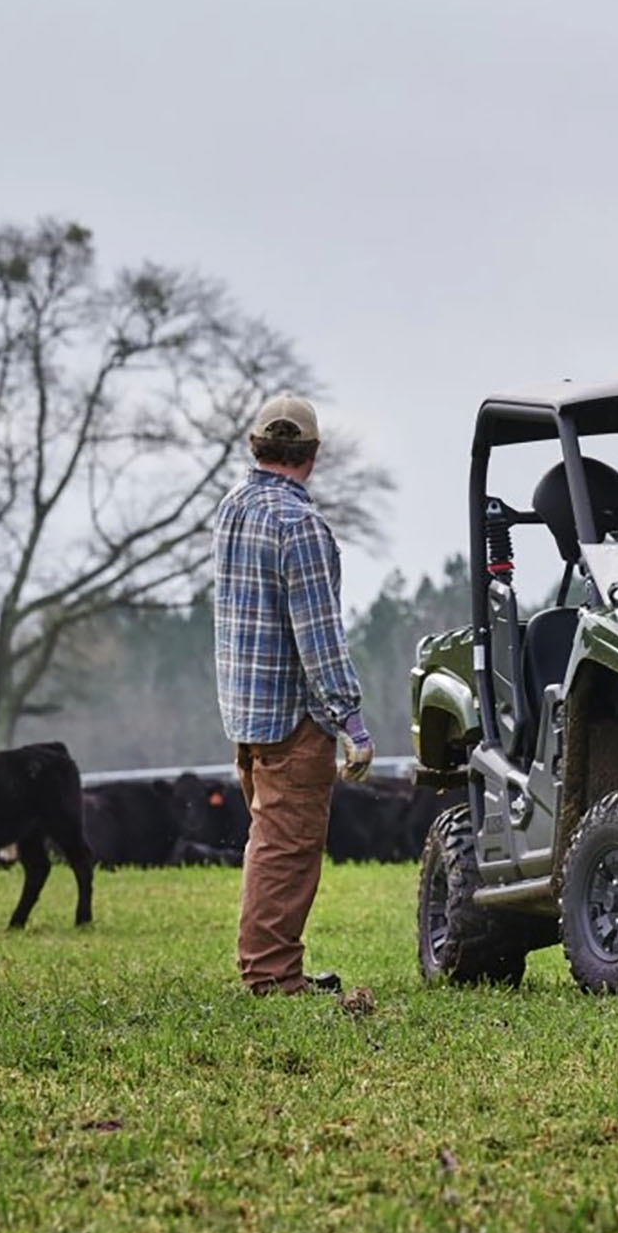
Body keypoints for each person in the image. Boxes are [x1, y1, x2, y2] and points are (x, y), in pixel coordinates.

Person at [211, 392, 373, 996]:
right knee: (287, 852)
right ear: (311, 453)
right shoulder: (298, 524)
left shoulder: (233, 509)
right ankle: (273, 977)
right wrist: (350, 720)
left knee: (267, 844)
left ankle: (274, 968)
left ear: (256, 446)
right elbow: (319, 635)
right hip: (292, 718)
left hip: (246, 715)